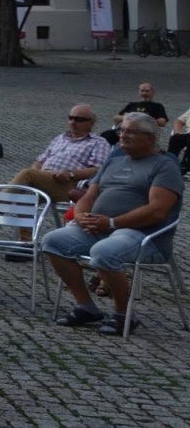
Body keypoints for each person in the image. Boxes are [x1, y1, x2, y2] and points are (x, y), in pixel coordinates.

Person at [44, 112, 184, 334]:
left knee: (104, 252)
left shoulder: (164, 167)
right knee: (53, 241)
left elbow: (157, 211)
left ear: (150, 138)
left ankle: (122, 313)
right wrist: (80, 216)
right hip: (100, 228)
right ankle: (86, 307)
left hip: (143, 235)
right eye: (122, 130)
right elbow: (88, 196)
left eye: (131, 131)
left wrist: (110, 222)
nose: (123, 135)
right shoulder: (114, 161)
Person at [6, 104, 111, 231]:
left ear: (91, 123)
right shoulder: (61, 138)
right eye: (71, 118)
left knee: (27, 173)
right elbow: (40, 160)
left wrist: (71, 174)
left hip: (68, 184)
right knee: (26, 194)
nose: (73, 122)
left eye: (78, 119)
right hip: (45, 178)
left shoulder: (98, 142)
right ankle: (26, 242)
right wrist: (38, 173)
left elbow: (97, 170)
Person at [102, 82, 169, 145]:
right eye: (142, 91)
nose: (144, 93)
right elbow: (116, 117)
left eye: (147, 91)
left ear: (153, 92)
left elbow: (162, 122)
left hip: (144, 131)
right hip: (127, 130)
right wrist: (129, 117)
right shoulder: (132, 105)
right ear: (139, 92)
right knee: (105, 136)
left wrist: (146, 119)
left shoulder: (157, 106)